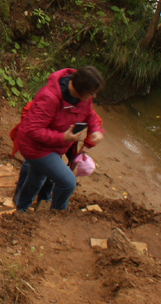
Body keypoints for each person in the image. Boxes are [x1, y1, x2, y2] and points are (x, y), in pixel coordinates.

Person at [11, 66, 105, 211]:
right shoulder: (50, 97)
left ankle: (21, 208)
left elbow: (90, 114)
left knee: (37, 179)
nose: (94, 97)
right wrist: (63, 137)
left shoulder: (84, 99)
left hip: (54, 146)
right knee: (68, 182)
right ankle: (57, 215)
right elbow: (32, 130)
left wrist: (96, 130)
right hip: (35, 147)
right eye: (92, 93)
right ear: (82, 91)